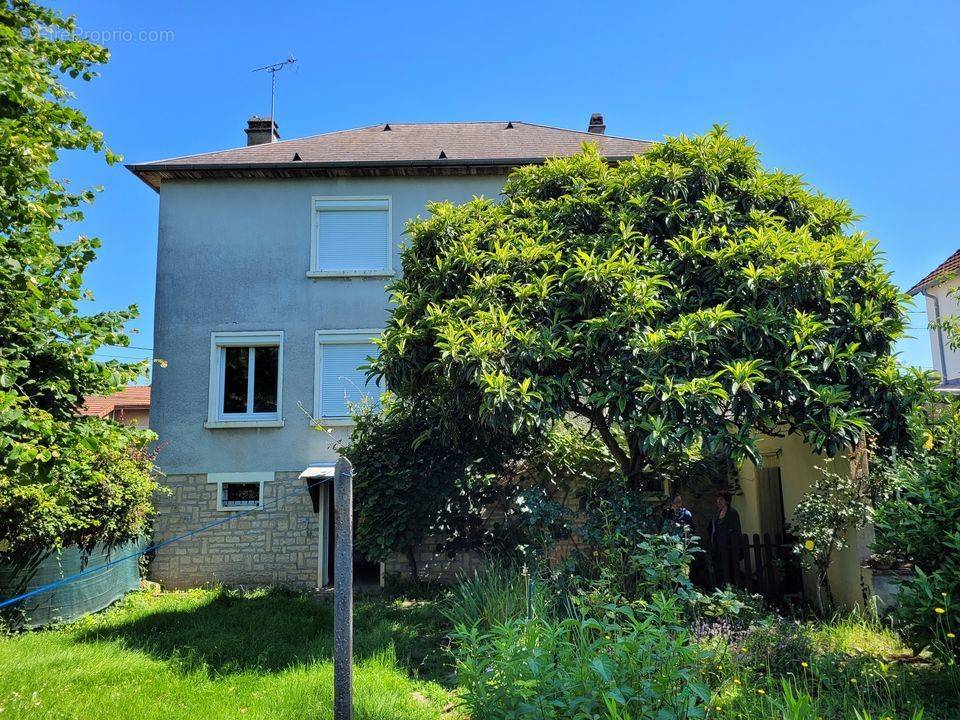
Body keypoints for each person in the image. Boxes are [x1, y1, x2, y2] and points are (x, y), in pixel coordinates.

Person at [709, 490, 742, 587]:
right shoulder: (718, 513)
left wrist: (732, 545)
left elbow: (736, 531)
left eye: (721, 499)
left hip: (730, 549)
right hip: (719, 548)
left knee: (731, 572)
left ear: (727, 501)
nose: (718, 501)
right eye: (718, 499)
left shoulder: (732, 513)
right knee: (722, 572)